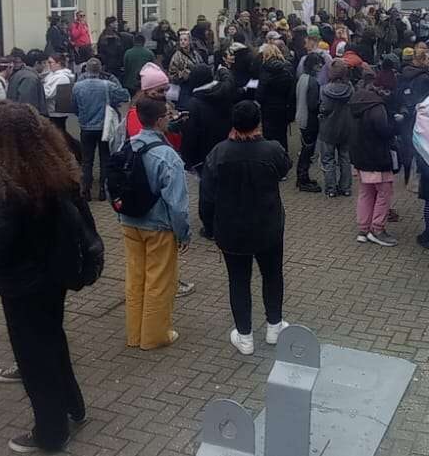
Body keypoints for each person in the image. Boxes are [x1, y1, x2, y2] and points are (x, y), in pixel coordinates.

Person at [0, 102, 96, 453]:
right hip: (53, 279)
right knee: (53, 340)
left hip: (23, 287)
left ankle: (51, 431)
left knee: (34, 358)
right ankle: (73, 404)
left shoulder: (13, 191)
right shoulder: (55, 170)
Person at [203, 101, 292, 355]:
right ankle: (274, 326)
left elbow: (207, 196)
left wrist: (210, 227)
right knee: (272, 275)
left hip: (231, 229)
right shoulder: (272, 149)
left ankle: (245, 337)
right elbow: (285, 167)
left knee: (238, 280)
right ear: (259, 122)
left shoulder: (219, 153)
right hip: (268, 226)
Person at [121, 96, 191, 350]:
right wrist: (183, 233)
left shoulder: (127, 146)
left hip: (129, 222)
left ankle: (134, 334)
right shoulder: (167, 156)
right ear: (160, 120)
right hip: (158, 226)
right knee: (159, 281)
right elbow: (177, 203)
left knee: (135, 278)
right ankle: (154, 336)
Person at [71, 59, 129, 202]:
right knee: (105, 158)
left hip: (86, 127)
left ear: (86, 70)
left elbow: (73, 107)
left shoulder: (77, 87)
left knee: (87, 160)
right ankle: (103, 189)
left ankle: (86, 190)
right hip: (104, 127)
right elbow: (125, 95)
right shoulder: (107, 85)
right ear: (100, 70)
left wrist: (81, 117)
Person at [349, 80, 399, 246]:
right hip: (377, 158)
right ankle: (377, 229)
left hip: (361, 157)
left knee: (366, 192)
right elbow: (385, 132)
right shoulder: (378, 107)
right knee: (384, 193)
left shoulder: (358, 102)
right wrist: (396, 123)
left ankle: (363, 229)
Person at [317, 61, 357, 198]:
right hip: (346, 128)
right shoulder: (350, 89)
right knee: (345, 158)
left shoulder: (324, 90)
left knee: (328, 159)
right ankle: (345, 188)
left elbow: (324, 108)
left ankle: (331, 189)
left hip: (328, 129)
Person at [294, 53, 325, 193]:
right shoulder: (313, 82)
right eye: (318, 64)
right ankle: (302, 178)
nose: (320, 66)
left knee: (305, 149)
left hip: (301, 117)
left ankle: (302, 177)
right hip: (310, 120)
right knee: (307, 151)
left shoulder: (302, 78)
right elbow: (313, 105)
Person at [257, 44, 296, 154]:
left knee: (269, 135)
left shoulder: (265, 70)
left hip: (268, 109)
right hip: (283, 107)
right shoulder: (288, 67)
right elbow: (292, 90)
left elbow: (260, 94)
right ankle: (284, 156)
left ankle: (271, 159)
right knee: (282, 134)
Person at [42, 52, 76, 135]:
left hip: (56, 113)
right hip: (52, 111)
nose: (48, 65)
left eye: (50, 62)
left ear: (59, 63)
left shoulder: (61, 77)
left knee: (58, 135)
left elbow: (48, 93)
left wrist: (39, 88)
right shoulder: (53, 74)